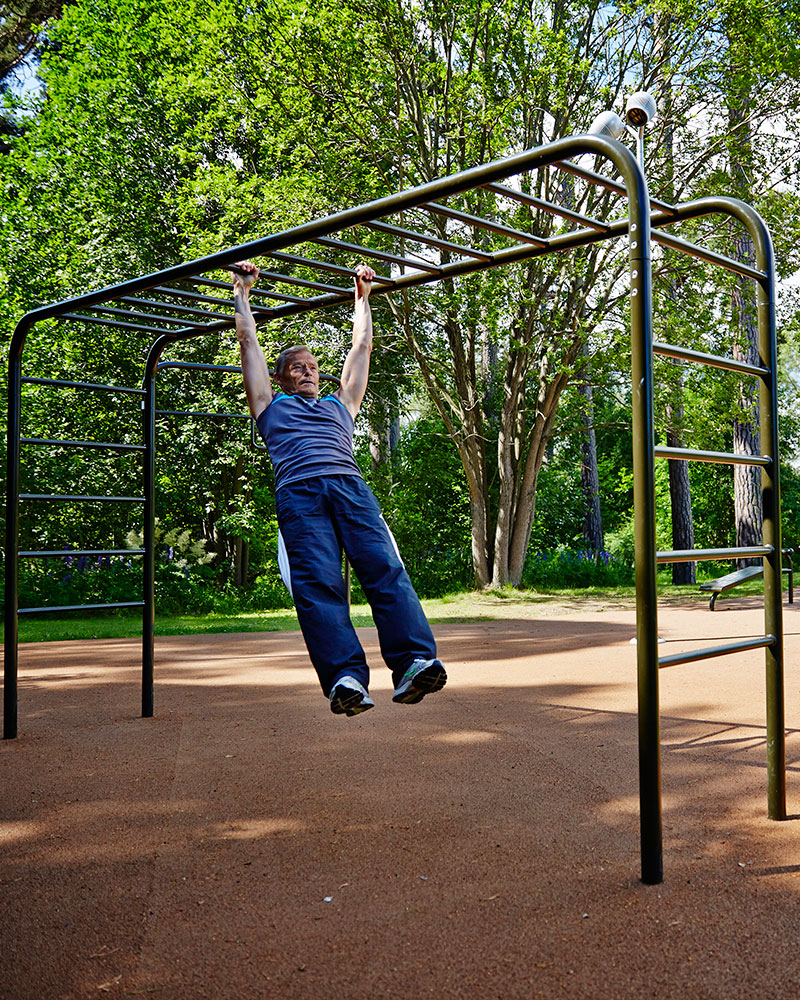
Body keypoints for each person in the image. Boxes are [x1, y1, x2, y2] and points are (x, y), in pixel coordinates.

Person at [231, 259, 446, 716]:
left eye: (311, 366)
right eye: (296, 367)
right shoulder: (269, 408)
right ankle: (345, 678)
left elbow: (362, 348)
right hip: (300, 496)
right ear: (283, 376)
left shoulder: (339, 406)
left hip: (351, 488)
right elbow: (248, 341)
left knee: (386, 570)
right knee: (319, 586)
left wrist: (362, 299)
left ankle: (413, 664)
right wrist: (241, 290)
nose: (307, 371)